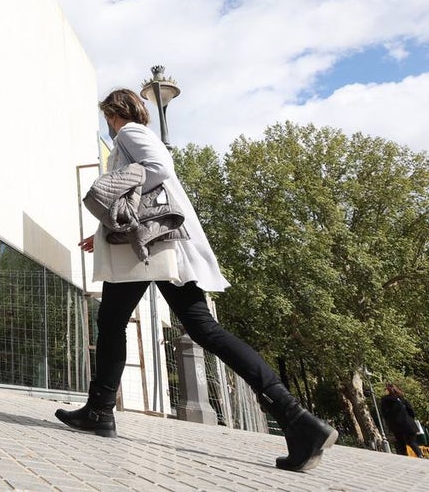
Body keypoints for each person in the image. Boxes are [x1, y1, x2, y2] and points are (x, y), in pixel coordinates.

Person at [55, 89, 337, 473]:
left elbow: (158, 169)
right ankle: (297, 419)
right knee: (201, 329)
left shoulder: (129, 133)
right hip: (157, 245)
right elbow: (148, 191)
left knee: (114, 322)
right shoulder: (140, 135)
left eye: (108, 116)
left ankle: (99, 412)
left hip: (149, 249)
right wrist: (104, 231)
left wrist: (114, 189)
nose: (108, 123)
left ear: (114, 113)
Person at [380, 383, 425, 458]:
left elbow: (384, 413)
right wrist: (409, 419)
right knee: (412, 442)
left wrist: (388, 420)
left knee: (400, 443)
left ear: (387, 391)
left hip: (396, 425)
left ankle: (404, 458)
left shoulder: (385, 400)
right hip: (409, 424)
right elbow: (411, 411)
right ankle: (420, 455)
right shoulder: (402, 399)